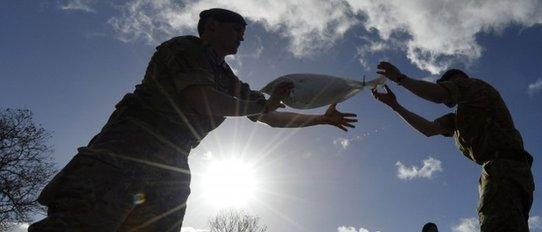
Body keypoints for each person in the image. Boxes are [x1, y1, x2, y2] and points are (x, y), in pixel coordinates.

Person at [29, 8, 357, 231]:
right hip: (127, 151)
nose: (242, 35)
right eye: (236, 29)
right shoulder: (185, 48)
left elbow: (270, 117)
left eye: (244, 31)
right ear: (211, 27)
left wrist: (321, 120)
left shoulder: (229, 80)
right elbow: (202, 99)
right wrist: (263, 104)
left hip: (171, 167)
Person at [371, 62, 534, 232]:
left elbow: (439, 95)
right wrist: (395, 106)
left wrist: (400, 78)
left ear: (458, 80)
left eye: (447, 84)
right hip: (502, 170)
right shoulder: (457, 118)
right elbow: (428, 129)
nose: (446, 87)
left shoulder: (474, 86)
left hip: (505, 168)